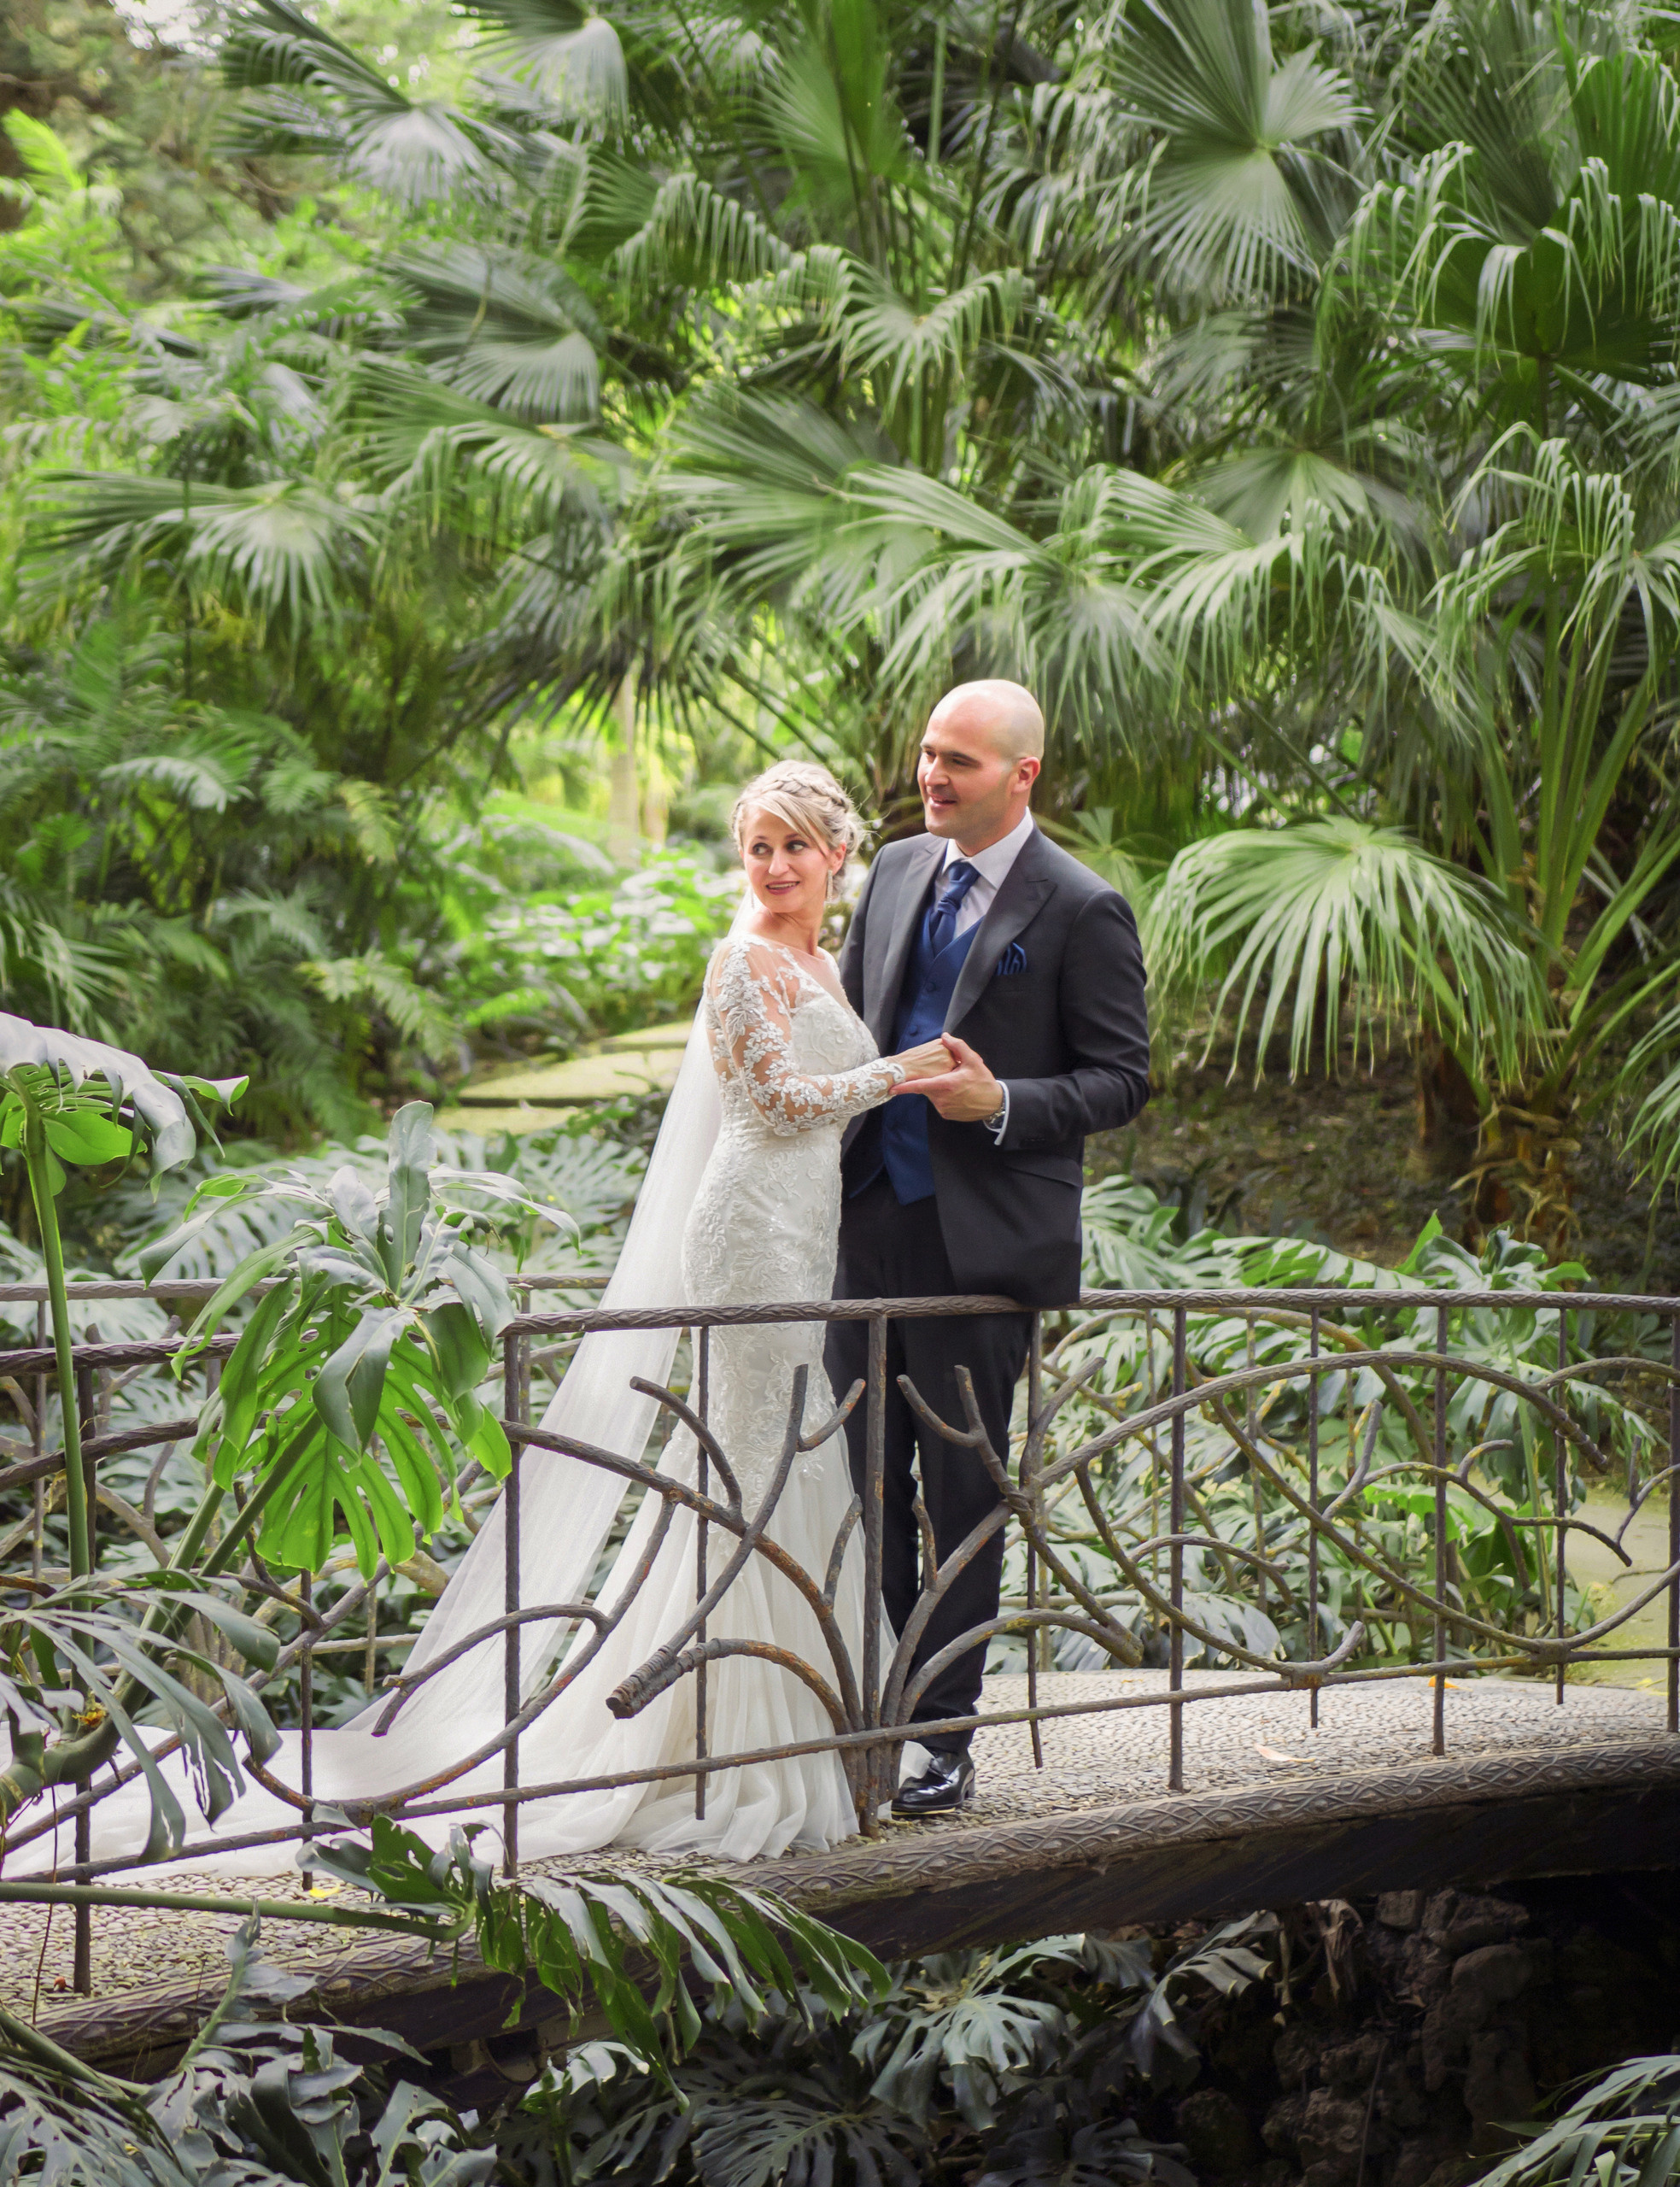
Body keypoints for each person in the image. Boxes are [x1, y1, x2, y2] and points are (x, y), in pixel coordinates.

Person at [19, 762, 947, 1877]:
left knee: (796, 1459)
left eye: (797, 846)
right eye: (759, 847)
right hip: (745, 1227)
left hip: (807, 1234)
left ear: (836, 854)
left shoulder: (822, 961)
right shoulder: (743, 959)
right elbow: (774, 1103)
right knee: (746, 1464)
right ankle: (725, 1755)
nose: (777, 866)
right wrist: (902, 1074)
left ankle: (814, 1737)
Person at [825, 680, 1151, 1821]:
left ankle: (943, 1742)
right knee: (862, 1482)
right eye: (925, 754)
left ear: (1023, 776)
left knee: (962, 1492)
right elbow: (850, 1025)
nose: (930, 776)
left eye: (958, 762)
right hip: (861, 1225)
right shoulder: (900, 871)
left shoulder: (1082, 907)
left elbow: (1123, 1079)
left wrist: (998, 1101)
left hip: (979, 1248)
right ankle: (871, 1712)